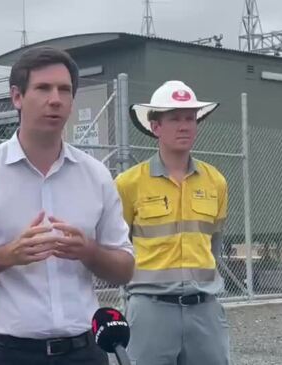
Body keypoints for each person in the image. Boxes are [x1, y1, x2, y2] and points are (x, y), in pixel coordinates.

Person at [0, 46, 135, 365]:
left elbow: (125, 268)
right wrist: (7, 255)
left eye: (64, 90)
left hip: (84, 353)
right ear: (17, 97)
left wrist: (89, 251)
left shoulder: (96, 176)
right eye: (42, 88)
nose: (55, 99)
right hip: (4, 353)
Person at [116, 80, 230, 364]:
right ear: (156, 127)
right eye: (175, 118)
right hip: (150, 310)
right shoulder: (129, 184)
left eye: (190, 118)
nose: (185, 126)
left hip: (205, 309)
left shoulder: (216, 181)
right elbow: (118, 245)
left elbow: (213, 243)